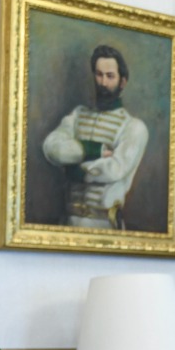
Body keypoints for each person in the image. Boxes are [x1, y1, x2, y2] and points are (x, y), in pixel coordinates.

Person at [42, 44, 149, 229]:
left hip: (104, 226)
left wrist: (76, 171)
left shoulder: (134, 127)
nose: (103, 83)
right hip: (67, 224)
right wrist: (94, 151)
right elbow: (51, 148)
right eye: (99, 75)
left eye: (110, 76)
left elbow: (115, 169)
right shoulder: (77, 115)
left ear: (122, 81)